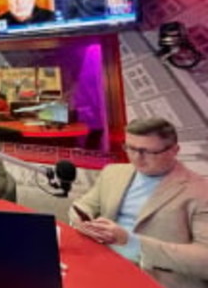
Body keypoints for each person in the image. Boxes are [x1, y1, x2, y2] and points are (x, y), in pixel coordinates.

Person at [70, 118, 208, 288]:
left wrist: (131, 242)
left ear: (174, 150)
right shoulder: (113, 172)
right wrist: (81, 221)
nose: (137, 158)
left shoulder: (200, 191)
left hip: (157, 279)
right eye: (131, 148)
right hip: (101, 263)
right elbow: (83, 206)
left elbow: (205, 260)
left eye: (147, 152)